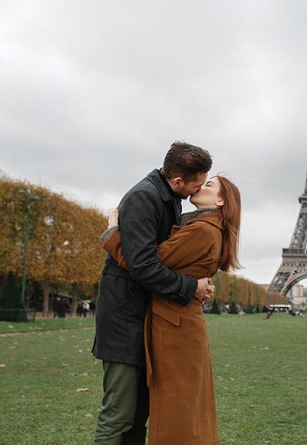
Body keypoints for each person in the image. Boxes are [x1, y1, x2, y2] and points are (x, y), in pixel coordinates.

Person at [102, 175, 241, 445]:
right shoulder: (205, 227)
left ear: (221, 201)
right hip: (179, 323)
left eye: (210, 186)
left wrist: (112, 236)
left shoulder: (202, 230)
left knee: (177, 413)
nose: (202, 187)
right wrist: (193, 285)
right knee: (184, 411)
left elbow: (143, 264)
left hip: (176, 328)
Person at [92, 142, 215, 444]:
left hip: (143, 320)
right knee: (118, 417)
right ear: (177, 181)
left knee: (136, 417)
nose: (196, 191)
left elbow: (164, 256)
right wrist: (190, 286)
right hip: (124, 323)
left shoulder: (167, 197)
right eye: (197, 184)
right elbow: (144, 266)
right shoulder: (144, 198)